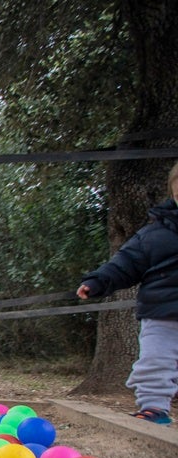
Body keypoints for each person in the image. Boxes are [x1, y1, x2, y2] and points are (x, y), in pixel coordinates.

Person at [76, 164, 178, 426]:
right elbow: (125, 262)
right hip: (162, 313)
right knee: (155, 361)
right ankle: (154, 408)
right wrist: (98, 281)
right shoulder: (154, 235)